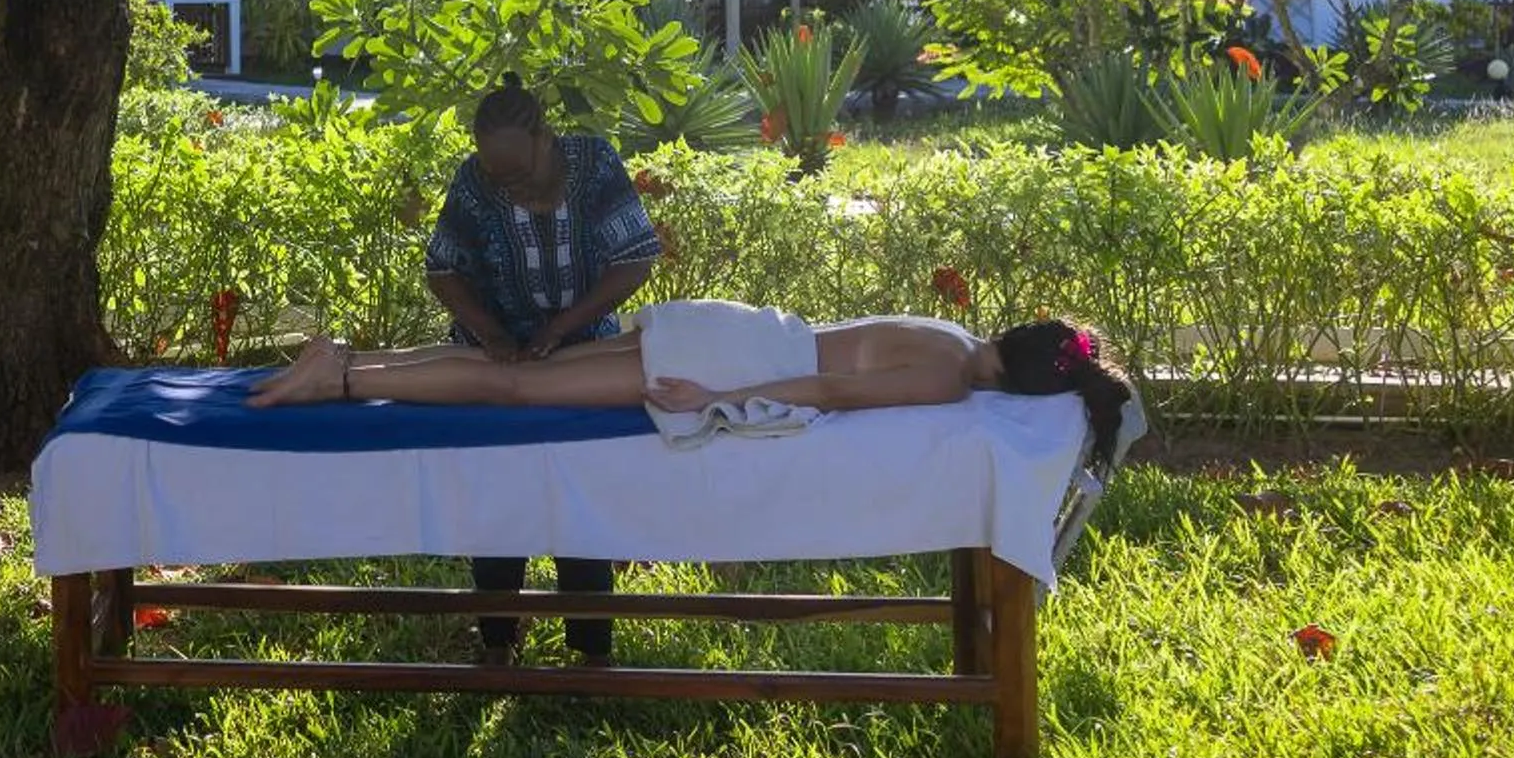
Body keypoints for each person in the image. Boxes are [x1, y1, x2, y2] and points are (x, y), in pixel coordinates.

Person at [248, 305, 1140, 472]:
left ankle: (354, 359)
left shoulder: (950, 334)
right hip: (733, 353)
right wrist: (717, 398)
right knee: (515, 393)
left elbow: (831, 358)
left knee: (522, 371)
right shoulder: (946, 377)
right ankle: (347, 376)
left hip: (739, 320)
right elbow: (827, 392)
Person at [422, 72, 661, 667]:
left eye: (518, 172)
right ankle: (498, 641)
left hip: (585, 356)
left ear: (545, 140)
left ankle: (590, 650)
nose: (506, 183)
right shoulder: (475, 182)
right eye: (494, 173)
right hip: (494, 361)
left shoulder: (594, 163)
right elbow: (443, 268)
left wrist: (560, 328)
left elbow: (634, 261)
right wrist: (493, 334)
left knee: (580, 497)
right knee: (498, 495)